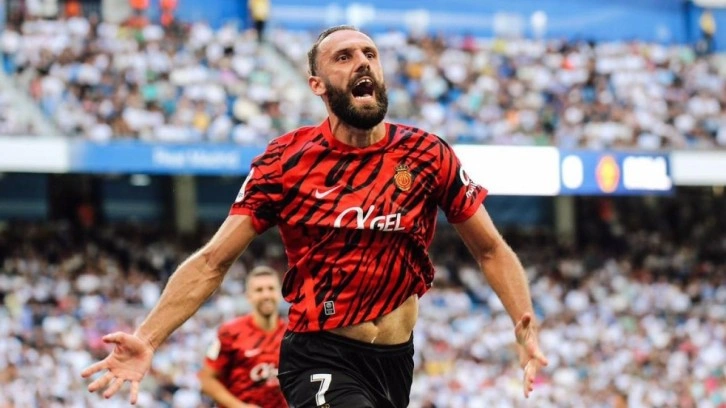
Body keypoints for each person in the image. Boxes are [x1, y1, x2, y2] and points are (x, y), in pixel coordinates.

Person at [81, 25, 548, 407]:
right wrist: (148, 337)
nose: (362, 62)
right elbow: (212, 261)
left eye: (370, 53)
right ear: (317, 85)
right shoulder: (286, 161)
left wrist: (521, 319)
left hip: (395, 362)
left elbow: (490, 249)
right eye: (344, 57)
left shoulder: (426, 154)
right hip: (319, 356)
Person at [197, 266, 288, 408]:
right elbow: (206, 380)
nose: (266, 295)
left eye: (271, 288)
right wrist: (240, 406)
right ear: (248, 296)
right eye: (259, 290)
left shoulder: (291, 335)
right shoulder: (230, 332)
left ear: (280, 293)